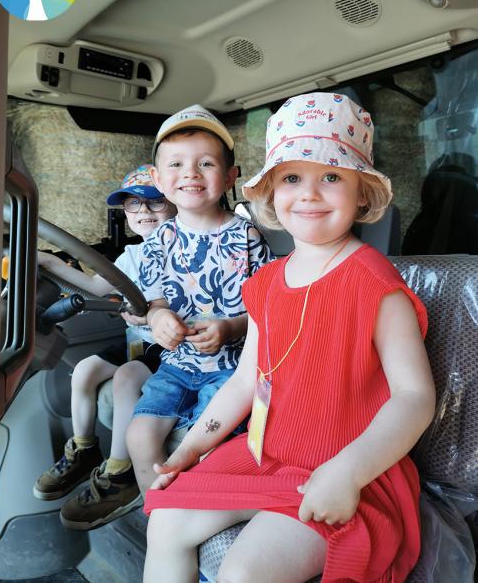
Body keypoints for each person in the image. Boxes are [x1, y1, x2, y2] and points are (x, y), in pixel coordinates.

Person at [142, 93, 436, 583]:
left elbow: (414, 396)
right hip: (268, 455)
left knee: (244, 572)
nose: (310, 193)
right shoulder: (265, 284)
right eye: (293, 177)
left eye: (332, 177)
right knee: (165, 521)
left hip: (349, 469)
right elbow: (244, 383)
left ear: (362, 192)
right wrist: (189, 450)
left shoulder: (375, 283)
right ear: (272, 191)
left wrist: (347, 472)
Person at [125, 105, 273, 497]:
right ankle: (153, 509)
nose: (190, 173)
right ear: (158, 178)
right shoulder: (159, 242)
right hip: (176, 365)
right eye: (176, 164)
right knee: (139, 436)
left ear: (229, 178)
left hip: (233, 368)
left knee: (212, 440)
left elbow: (265, 312)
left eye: (205, 163)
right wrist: (157, 320)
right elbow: (154, 303)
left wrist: (230, 327)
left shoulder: (247, 237)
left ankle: (204, 506)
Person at [33, 165, 176, 530]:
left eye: (155, 202)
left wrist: (150, 317)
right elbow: (92, 287)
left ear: (175, 200)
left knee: (127, 376)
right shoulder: (132, 255)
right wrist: (47, 261)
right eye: (132, 204)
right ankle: (84, 450)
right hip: (138, 340)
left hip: (168, 345)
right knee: (84, 370)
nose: (143, 211)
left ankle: (120, 474)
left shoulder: (186, 243)